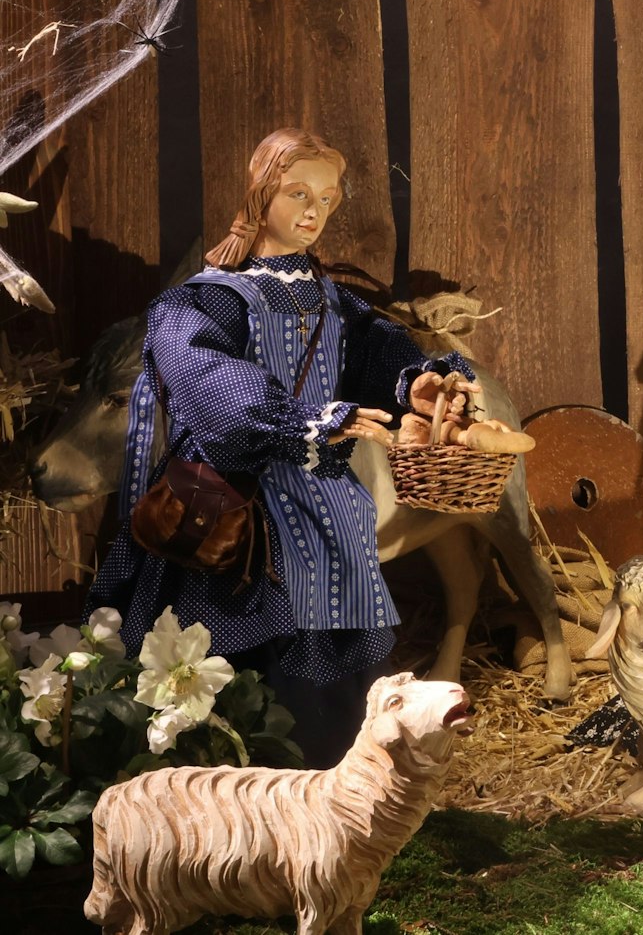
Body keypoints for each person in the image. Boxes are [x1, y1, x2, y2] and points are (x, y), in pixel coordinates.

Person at [90, 127, 474, 766]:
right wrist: (301, 419)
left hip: (328, 506)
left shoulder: (335, 304)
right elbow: (202, 376)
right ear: (261, 193)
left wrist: (417, 382)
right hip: (237, 511)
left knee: (340, 660)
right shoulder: (205, 300)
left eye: (327, 198)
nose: (315, 210)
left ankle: (336, 793)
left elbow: (381, 350)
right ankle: (245, 799)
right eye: (298, 192)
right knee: (240, 662)